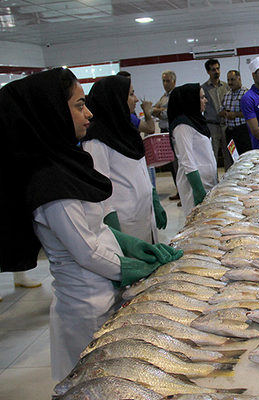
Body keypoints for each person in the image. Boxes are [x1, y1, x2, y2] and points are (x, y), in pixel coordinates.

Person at [0, 68, 182, 379]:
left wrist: (131, 244)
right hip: (85, 307)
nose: (89, 113)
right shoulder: (48, 182)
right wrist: (132, 268)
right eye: (79, 105)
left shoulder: (65, 161)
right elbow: (85, 250)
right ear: (53, 110)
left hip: (102, 293)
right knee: (93, 382)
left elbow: (94, 224)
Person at [81, 75, 167, 243]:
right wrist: (118, 237)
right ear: (115, 98)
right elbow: (100, 191)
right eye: (130, 94)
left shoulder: (126, 130)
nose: (135, 99)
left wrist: (154, 199)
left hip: (143, 215)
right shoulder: (96, 139)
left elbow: (140, 170)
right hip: (124, 224)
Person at [168, 84, 219, 216]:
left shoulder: (196, 121)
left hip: (207, 183)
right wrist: (198, 190)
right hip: (195, 187)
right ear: (190, 101)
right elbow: (187, 161)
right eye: (202, 97)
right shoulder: (182, 126)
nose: (205, 100)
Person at [152, 70, 181, 203]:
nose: (165, 84)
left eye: (168, 81)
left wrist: (160, 112)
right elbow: (153, 110)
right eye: (163, 81)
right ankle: (179, 190)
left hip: (173, 132)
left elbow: (168, 113)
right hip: (164, 133)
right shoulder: (164, 97)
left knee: (178, 164)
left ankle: (183, 191)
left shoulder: (176, 95)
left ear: (174, 81)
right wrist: (160, 111)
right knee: (171, 165)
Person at [202, 59, 232, 170]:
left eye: (218, 68)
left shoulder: (226, 86)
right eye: (213, 69)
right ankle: (213, 180)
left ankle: (229, 181)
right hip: (211, 126)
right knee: (212, 155)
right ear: (208, 72)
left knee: (228, 155)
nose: (216, 71)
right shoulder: (203, 89)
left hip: (226, 125)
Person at [220, 70, 252, 156]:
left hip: (243, 131)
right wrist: (224, 113)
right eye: (228, 80)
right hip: (230, 132)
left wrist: (236, 114)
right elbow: (221, 111)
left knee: (246, 156)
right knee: (233, 157)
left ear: (239, 79)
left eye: (232, 79)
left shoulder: (246, 94)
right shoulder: (227, 95)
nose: (230, 82)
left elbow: (252, 113)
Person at [115, 70, 154, 135]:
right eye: (131, 94)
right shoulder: (127, 117)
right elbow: (150, 128)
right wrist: (147, 111)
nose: (136, 99)